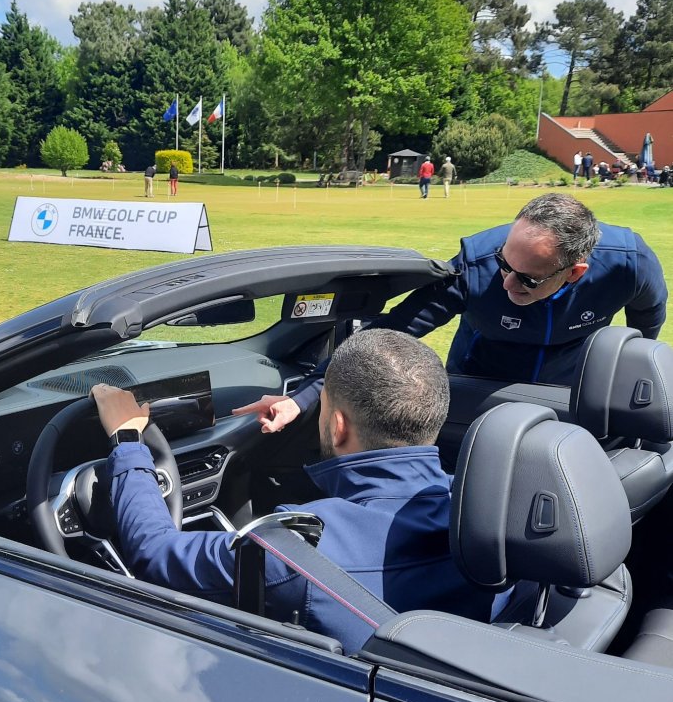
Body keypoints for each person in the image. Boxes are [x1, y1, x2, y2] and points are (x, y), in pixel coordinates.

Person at [91, 330, 495, 653]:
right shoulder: (489, 515)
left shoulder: (297, 551)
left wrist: (128, 441)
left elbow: (155, 553)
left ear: (337, 426)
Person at [234, 194, 667, 434]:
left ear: (575, 272)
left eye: (528, 279)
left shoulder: (628, 264)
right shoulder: (475, 266)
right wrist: (303, 396)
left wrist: (629, 386)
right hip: (478, 383)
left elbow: (647, 321)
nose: (507, 285)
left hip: (564, 391)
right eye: (505, 265)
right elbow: (387, 332)